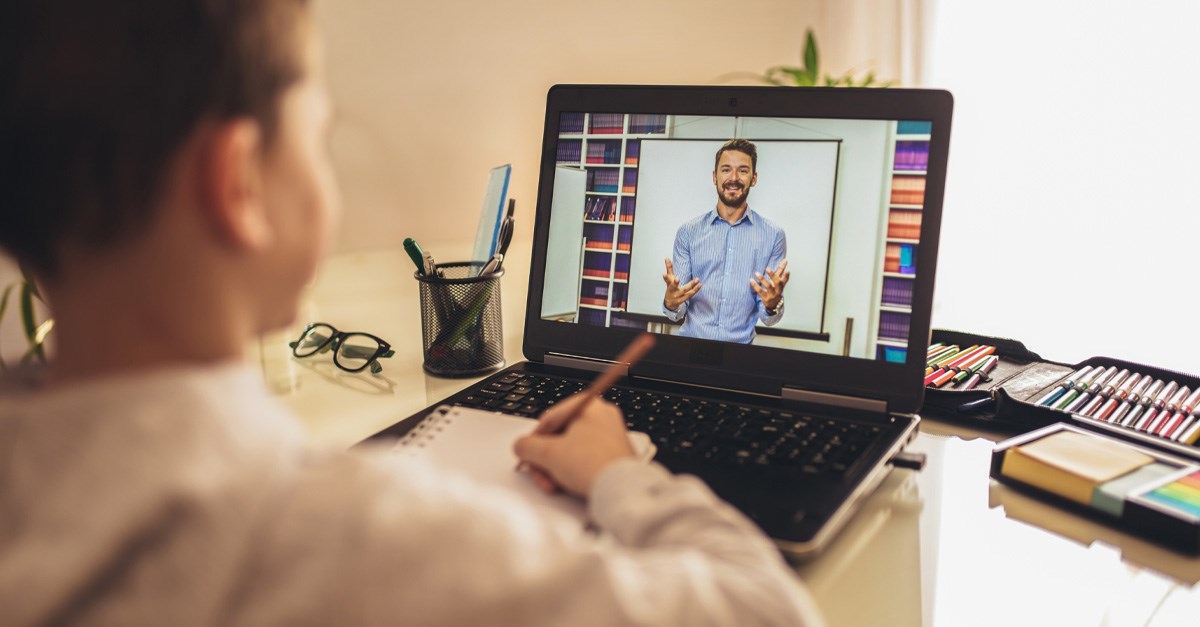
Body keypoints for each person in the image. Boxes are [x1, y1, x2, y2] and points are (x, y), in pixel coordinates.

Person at [0, 1, 823, 625]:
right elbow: (763, 608)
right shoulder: (352, 539)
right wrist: (619, 474)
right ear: (239, 185)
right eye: (319, 138)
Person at [662, 139, 791, 344]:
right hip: (689, 349)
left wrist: (772, 304)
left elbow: (769, 317)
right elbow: (676, 312)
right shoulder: (688, 232)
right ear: (714, 177)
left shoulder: (773, 235)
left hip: (738, 357)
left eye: (742, 171)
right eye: (725, 170)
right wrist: (670, 303)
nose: (733, 178)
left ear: (753, 178)